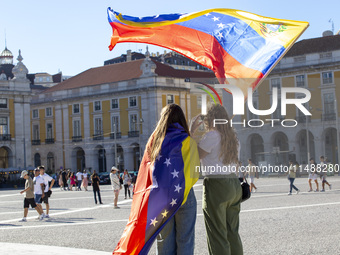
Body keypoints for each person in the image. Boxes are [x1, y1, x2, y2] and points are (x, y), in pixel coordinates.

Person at [190, 104, 243, 255]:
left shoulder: (212, 136)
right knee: (232, 232)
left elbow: (195, 156)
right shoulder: (234, 137)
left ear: (211, 119)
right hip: (233, 183)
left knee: (217, 232)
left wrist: (192, 133)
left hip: (216, 184)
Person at [151, 104, 197, 255]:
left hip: (163, 198)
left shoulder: (156, 142)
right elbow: (194, 173)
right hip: (184, 194)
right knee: (185, 241)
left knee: (164, 242)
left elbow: (149, 170)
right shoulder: (188, 141)